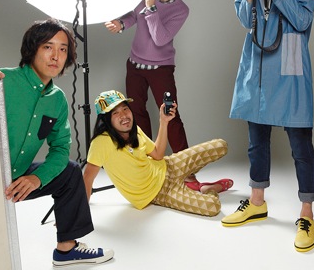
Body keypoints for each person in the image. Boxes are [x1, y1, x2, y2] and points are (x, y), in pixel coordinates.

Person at [0, 18, 114, 267]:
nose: (56, 56)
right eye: (48, 47)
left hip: (16, 181)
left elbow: (60, 148)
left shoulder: (57, 99)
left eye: (63, 49)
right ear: (32, 49)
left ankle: (67, 250)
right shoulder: (1, 79)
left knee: (70, 171)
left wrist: (37, 178)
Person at [223, 0, 314, 253]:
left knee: (300, 144)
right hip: (259, 57)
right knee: (256, 140)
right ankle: (257, 202)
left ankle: (307, 214)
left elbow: (303, 21)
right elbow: (243, 19)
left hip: (290, 53)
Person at [104, 0, 223, 191]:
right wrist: (121, 24)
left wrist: (151, 8)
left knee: (171, 115)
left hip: (161, 69)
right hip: (135, 66)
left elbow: (160, 38)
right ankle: (147, 166)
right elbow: (134, 15)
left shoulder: (181, 10)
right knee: (137, 115)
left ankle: (188, 173)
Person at [83, 90, 232, 217]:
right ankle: (207, 189)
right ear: (106, 120)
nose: (123, 115)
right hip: (161, 192)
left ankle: (189, 185)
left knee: (221, 145)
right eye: (115, 113)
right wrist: (78, 216)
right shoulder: (101, 142)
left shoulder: (135, 130)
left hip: (169, 166)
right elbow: (87, 179)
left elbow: (158, 154)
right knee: (213, 207)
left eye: (125, 109)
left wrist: (164, 121)